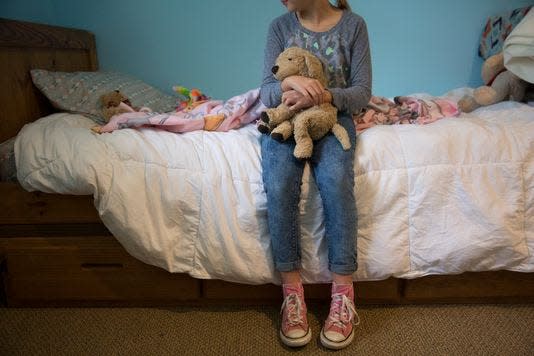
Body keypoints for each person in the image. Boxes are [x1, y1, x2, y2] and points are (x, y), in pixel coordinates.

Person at [259, 0, 372, 350]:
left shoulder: (353, 26)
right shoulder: (279, 27)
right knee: (279, 184)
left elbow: (362, 93)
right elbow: (266, 89)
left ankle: (342, 295)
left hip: (331, 118)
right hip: (286, 118)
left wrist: (324, 94)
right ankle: (292, 295)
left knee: (337, 182)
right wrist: (290, 80)